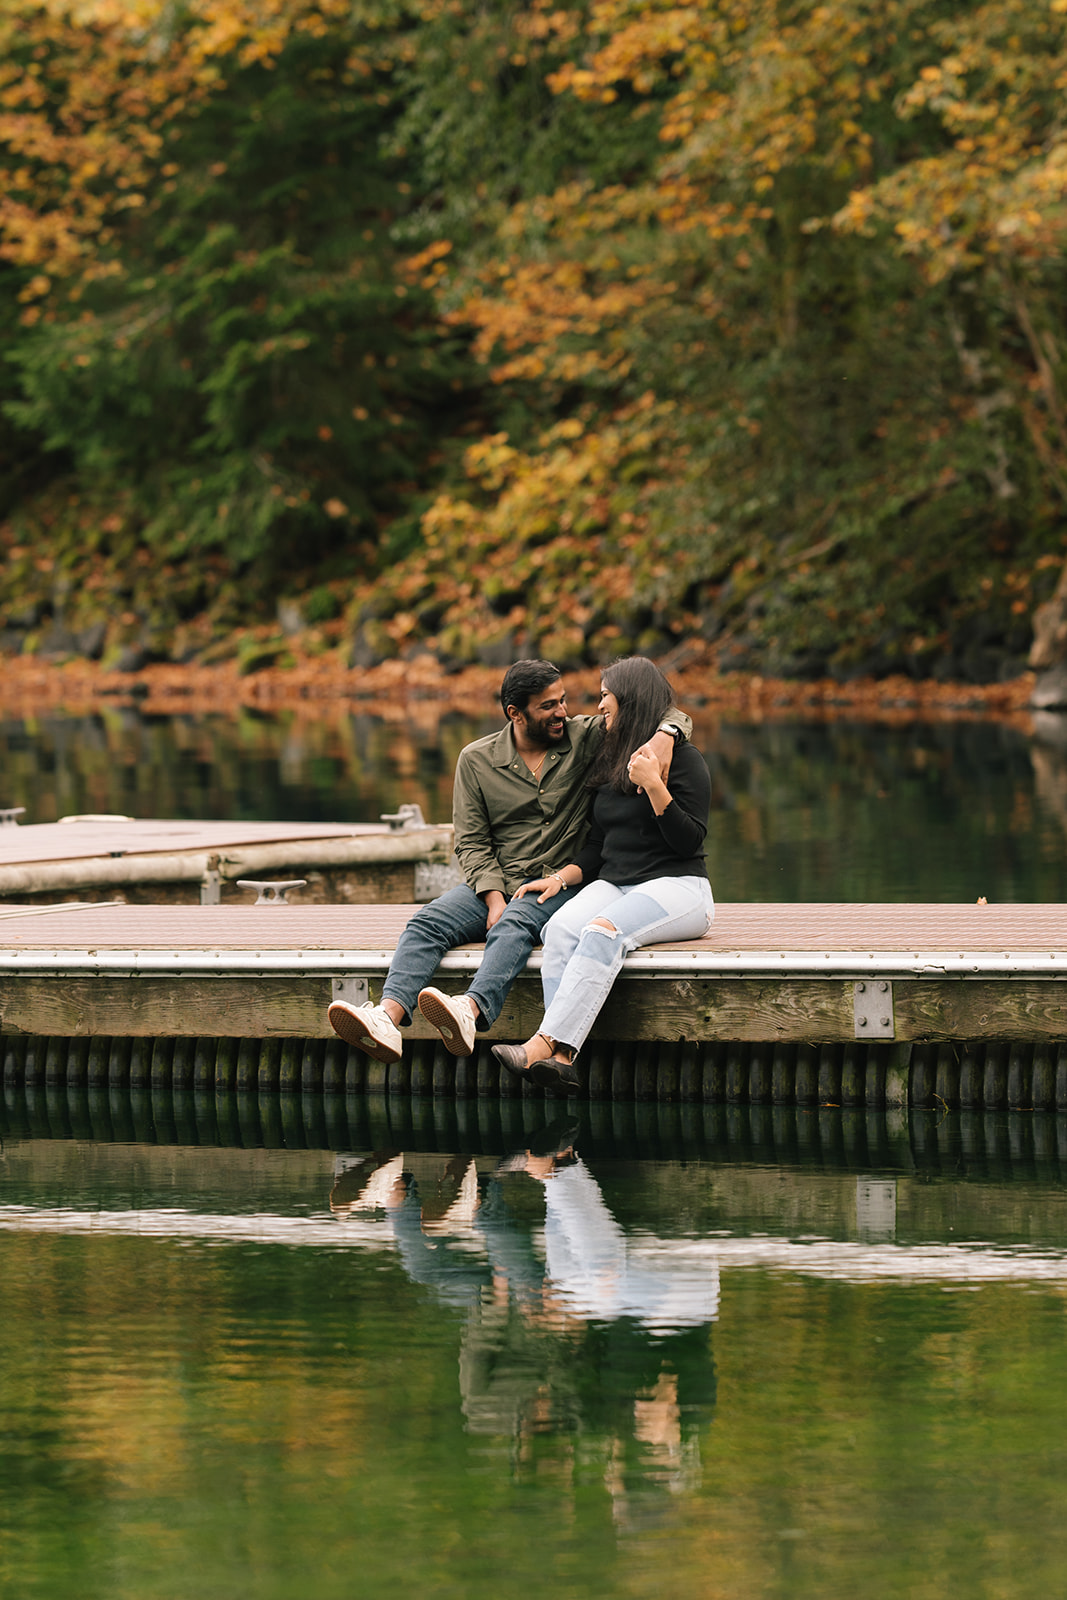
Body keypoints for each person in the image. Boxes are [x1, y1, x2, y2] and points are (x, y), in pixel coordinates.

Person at [327, 658, 690, 1063]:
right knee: (426, 923)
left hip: (559, 882)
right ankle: (387, 1019)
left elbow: (659, 709)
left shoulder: (585, 737)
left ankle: (471, 1009)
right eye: (548, 706)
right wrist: (493, 897)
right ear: (515, 713)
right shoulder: (476, 760)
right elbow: (470, 841)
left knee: (516, 921)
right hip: (495, 883)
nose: (562, 713)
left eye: (563, 701)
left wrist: (666, 737)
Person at [491, 656, 714, 1094]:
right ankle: (559, 1063)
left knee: (602, 931)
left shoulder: (684, 761)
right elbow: (599, 846)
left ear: (628, 700)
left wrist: (654, 786)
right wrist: (563, 877)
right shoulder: (610, 759)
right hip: (617, 883)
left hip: (680, 888)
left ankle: (550, 1045)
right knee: (558, 930)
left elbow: (689, 842)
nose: (598, 706)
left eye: (604, 696)